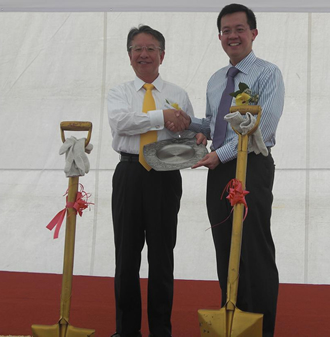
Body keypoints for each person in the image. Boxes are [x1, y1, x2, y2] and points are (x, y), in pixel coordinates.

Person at [189, 4, 285, 336]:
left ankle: (260, 327)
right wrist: (194, 128)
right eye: (226, 31)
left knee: (253, 247)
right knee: (225, 247)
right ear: (219, 37)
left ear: (253, 33)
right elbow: (216, 124)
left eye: (239, 29)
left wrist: (220, 153)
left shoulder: (268, 73)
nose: (233, 36)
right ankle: (233, 320)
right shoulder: (217, 79)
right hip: (218, 170)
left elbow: (264, 126)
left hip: (252, 166)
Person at [107, 25, 200, 337]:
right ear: (129, 56)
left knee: (162, 257)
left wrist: (196, 136)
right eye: (137, 49)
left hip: (165, 176)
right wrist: (162, 117)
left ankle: (161, 330)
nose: (143, 54)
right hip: (129, 174)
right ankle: (126, 330)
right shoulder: (119, 93)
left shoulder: (178, 94)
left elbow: (186, 134)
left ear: (162, 54)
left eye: (150, 49)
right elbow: (121, 123)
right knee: (126, 257)